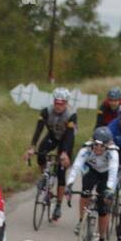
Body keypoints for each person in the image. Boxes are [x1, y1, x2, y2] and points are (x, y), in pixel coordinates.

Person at [65, 125, 120, 241]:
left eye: (102, 146)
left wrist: (109, 190)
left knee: (103, 207)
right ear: (92, 143)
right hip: (92, 170)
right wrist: (69, 185)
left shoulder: (113, 153)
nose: (98, 149)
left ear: (107, 145)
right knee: (85, 192)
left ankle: (101, 240)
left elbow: (113, 173)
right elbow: (76, 166)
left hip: (106, 174)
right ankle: (80, 220)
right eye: (96, 145)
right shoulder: (85, 149)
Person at [24, 88, 78, 221]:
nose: (58, 106)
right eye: (56, 103)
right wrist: (32, 147)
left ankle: (58, 205)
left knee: (61, 171)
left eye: (62, 103)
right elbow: (39, 129)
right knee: (41, 153)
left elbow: (70, 136)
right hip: (53, 136)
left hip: (66, 139)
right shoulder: (46, 111)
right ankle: (45, 177)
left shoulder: (71, 114)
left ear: (66, 103)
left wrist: (65, 153)